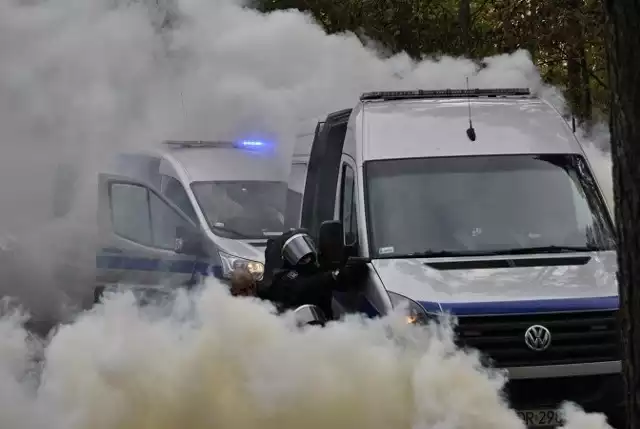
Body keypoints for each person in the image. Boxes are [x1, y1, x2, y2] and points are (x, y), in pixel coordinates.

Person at [257, 229, 366, 320]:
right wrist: (334, 276)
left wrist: (349, 268)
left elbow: (337, 281)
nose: (306, 256)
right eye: (295, 249)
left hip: (323, 323)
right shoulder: (281, 278)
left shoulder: (314, 267)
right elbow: (304, 286)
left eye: (305, 245)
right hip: (295, 329)